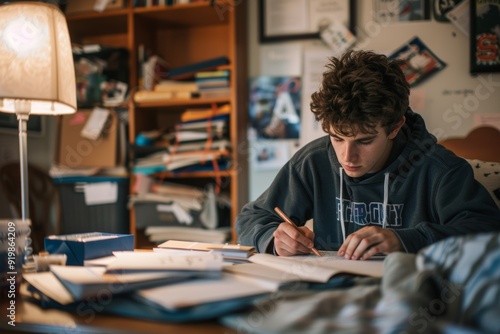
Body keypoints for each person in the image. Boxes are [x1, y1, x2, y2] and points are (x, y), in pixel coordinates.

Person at [236, 50, 500, 260]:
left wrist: (406, 240)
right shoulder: (313, 161)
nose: (347, 156)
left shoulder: (440, 169)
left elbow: (488, 233)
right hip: (331, 295)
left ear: (396, 126)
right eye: (337, 138)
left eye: (365, 140)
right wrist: (273, 237)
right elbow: (249, 219)